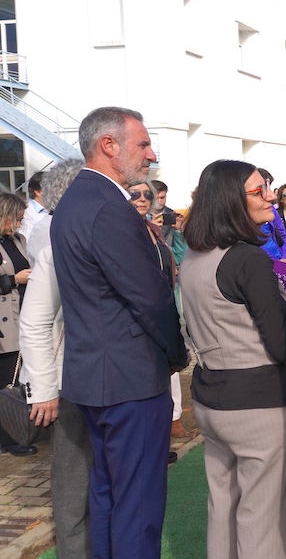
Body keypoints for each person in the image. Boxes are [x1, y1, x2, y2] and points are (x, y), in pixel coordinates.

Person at [50, 106, 187, 557]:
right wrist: (177, 354)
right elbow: (149, 297)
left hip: (96, 377)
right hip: (129, 380)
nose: (151, 154)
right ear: (108, 145)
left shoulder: (76, 201)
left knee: (109, 495)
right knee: (138, 506)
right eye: (143, 144)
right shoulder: (109, 207)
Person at [181, 160, 286, 558]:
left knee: (224, 507)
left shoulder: (195, 257)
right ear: (232, 200)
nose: (270, 195)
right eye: (258, 190)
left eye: (267, 187)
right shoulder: (247, 259)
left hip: (211, 399)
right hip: (257, 404)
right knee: (264, 519)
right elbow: (282, 344)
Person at [20, 159, 92, 556]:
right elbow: (37, 321)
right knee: (72, 477)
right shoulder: (52, 230)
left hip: (89, 370)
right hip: (65, 375)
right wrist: (44, 387)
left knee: (89, 476)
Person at [127, 181, 186, 443]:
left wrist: (177, 232)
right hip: (138, 319)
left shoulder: (154, 228)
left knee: (165, 378)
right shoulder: (122, 229)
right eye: (134, 194)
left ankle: (166, 426)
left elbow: (177, 259)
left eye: (147, 194)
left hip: (165, 308)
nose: (142, 198)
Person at [0, 193, 34, 456]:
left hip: (21, 315)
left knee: (16, 377)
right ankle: (8, 438)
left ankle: (18, 429)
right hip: (4, 322)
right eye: (17, 219)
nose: (20, 224)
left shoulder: (19, 240)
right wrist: (13, 280)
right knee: (6, 380)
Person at [256, 168, 286, 262]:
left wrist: (285, 257)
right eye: (264, 188)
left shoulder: (271, 209)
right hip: (262, 262)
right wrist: (275, 262)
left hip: (280, 259)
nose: (271, 195)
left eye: (268, 187)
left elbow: (283, 234)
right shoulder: (245, 214)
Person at [18, 170, 46, 242]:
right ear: (37, 192)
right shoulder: (25, 213)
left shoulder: (57, 209)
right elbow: (27, 242)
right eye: (50, 188)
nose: (55, 192)